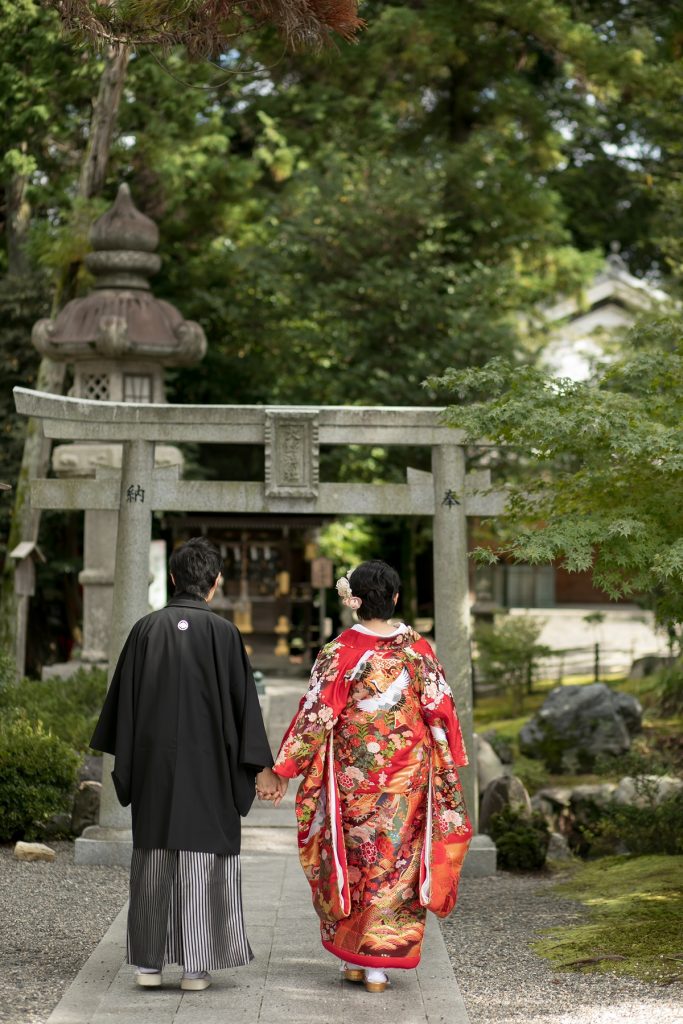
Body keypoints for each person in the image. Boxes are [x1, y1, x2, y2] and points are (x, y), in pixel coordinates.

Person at [270, 560, 472, 993]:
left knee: (357, 858)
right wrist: (450, 758)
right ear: (396, 598)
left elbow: (316, 715)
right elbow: (441, 708)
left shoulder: (339, 651)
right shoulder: (418, 651)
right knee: (395, 859)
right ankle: (379, 963)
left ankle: (355, 960)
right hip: (408, 777)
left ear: (353, 602)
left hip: (353, 777)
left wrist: (284, 767)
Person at [90, 536, 281, 991]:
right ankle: (196, 966)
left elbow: (123, 709)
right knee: (202, 859)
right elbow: (244, 709)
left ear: (173, 578)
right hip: (211, 770)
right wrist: (261, 768)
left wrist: (132, 763)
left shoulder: (146, 630)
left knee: (153, 856)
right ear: (213, 584)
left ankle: (148, 966)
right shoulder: (225, 635)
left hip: (156, 767)